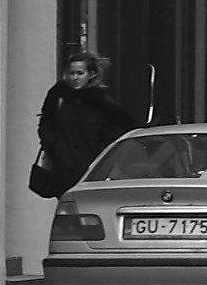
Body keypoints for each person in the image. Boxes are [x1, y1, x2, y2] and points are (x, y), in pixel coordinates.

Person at [34, 52, 135, 197]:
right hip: (62, 165)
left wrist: (100, 157)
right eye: (72, 73)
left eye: (80, 73)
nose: (75, 78)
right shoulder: (59, 96)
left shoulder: (101, 103)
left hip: (90, 167)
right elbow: (46, 123)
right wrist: (51, 145)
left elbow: (112, 132)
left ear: (91, 74)